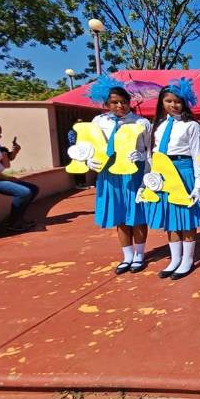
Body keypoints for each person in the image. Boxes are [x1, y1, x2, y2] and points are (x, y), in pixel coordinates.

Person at [83, 75, 152, 274]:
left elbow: (149, 150)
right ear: (106, 103)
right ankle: (127, 256)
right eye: (114, 102)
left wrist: (140, 157)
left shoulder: (141, 122)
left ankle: (139, 254)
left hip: (133, 172)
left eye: (123, 102)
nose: (119, 106)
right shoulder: (98, 121)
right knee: (119, 214)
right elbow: (90, 145)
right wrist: (89, 159)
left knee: (137, 214)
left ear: (130, 102)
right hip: (109, 173)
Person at [140, 79, 200, 280]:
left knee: (186, 218)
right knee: (170, 218)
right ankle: (175, 258)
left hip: (183, 171)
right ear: (162, 102)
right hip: (163, 174)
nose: (173, 105)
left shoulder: (191, 126)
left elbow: (197, 155)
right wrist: (149, 179)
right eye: (168, 101)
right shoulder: (158, 126)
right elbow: (152, 154)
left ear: (184, 102)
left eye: (178, 101)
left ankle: (187, 259)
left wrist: (198, 183)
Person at [0, 122, 38, 233]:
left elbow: (7, 159)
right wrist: (7, 178)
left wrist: (15, 152)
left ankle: (18, 219)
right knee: (24, 192)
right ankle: (14, 223)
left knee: (34, 189)